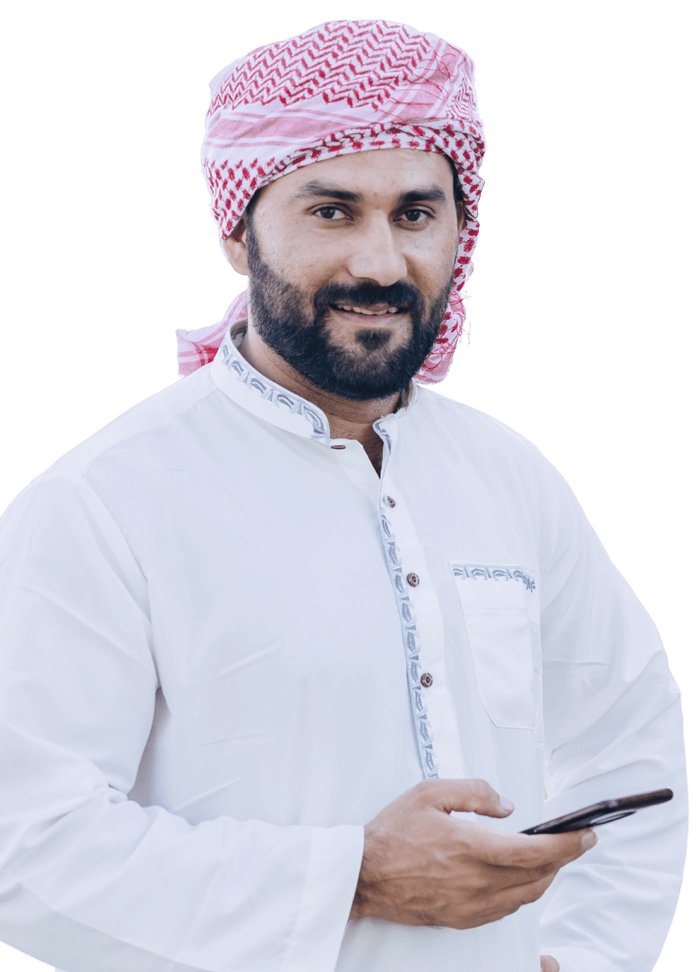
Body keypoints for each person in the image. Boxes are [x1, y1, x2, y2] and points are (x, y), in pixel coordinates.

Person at [0, 19, 686, 972]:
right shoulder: (103, 502)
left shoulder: (509, 475)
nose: (380, 264)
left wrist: (585, 959)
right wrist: (353, 878)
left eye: (415, 214)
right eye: (332, 212)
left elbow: (629, 742)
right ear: (236, 233)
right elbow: (25, 855)